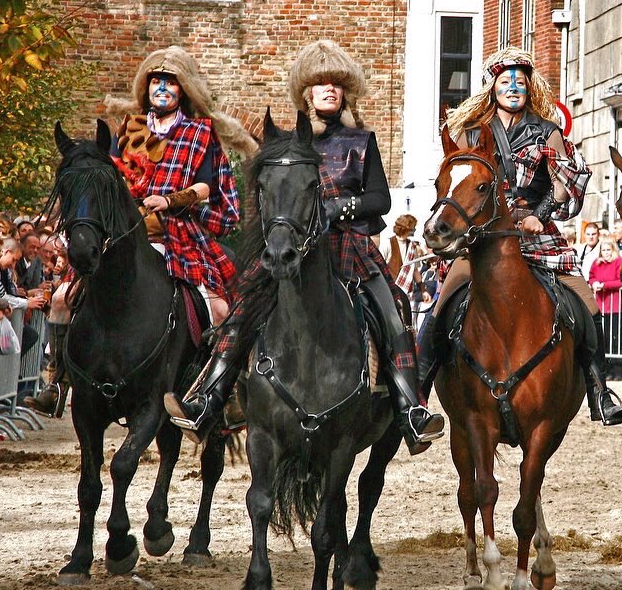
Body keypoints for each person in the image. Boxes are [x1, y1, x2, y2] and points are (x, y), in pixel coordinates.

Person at [165, 40, 444, 453]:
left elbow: (379, 200)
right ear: (306, 93)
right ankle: (209, 398)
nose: (328, 90)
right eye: (319, 84)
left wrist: (337, 207)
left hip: (347, 247)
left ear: (344, 90)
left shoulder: (360, 141)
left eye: (335, 84)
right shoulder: (288, 144)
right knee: (242, 311)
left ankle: (410, 409)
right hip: (290, 248)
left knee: (392, 311)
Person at [423, 47, 622, 426]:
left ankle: (600, 390)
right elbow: (459, 185)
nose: (513, 86)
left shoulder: (547, 131)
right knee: (441, 306)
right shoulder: (471, 132)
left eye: (520, 80)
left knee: (584, 301)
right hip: (481, 238)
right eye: (505, 81)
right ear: (493, 88)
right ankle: (419, 394)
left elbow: (564, 183)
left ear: (529, 86)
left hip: (536, 234)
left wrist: (540, 214)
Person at [104, 46, 256, 328]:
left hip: (177, 235)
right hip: (122, 235)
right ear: (146, 86)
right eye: (156, 80)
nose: (162, 87)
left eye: (170, 81)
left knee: (221, 310)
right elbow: (110, 177)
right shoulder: (126, 128)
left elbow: (204, 188)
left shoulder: (199, 132)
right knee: (63, 299)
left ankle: (212, 372)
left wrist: (168, 200)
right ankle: (60, 371)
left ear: (183, 89)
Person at [588, 236, 622, 377]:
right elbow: (591, 277)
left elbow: (621, 281)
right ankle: (607, 370)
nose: (606, 252)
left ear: (613, 249)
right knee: (604, 340)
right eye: (603, 250)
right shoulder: (596, 263)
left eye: (608, 249)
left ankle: (619, 370)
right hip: (602, 306)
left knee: (617, 339)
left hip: (617, 306)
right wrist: (594, 283)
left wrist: (605, 285)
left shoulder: (619, 262)